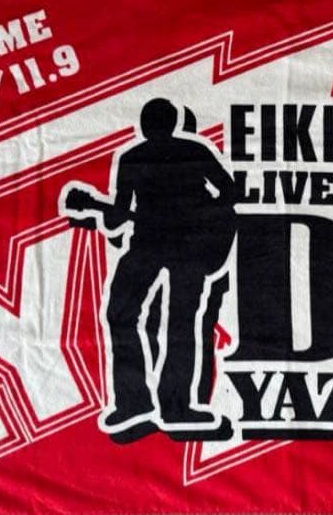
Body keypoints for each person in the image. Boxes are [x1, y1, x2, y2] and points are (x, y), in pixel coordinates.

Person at [61, 98, 236, 443]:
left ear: (145, 126)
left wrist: (96, 208)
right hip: (170, 246)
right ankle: (169, 406)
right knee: (178, 322)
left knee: (128, 316)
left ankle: (139, 402)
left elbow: (116, 219)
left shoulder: (137, 156)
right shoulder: (188, 151)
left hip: (163, 246)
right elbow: (229, 192)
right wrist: (96, 205)